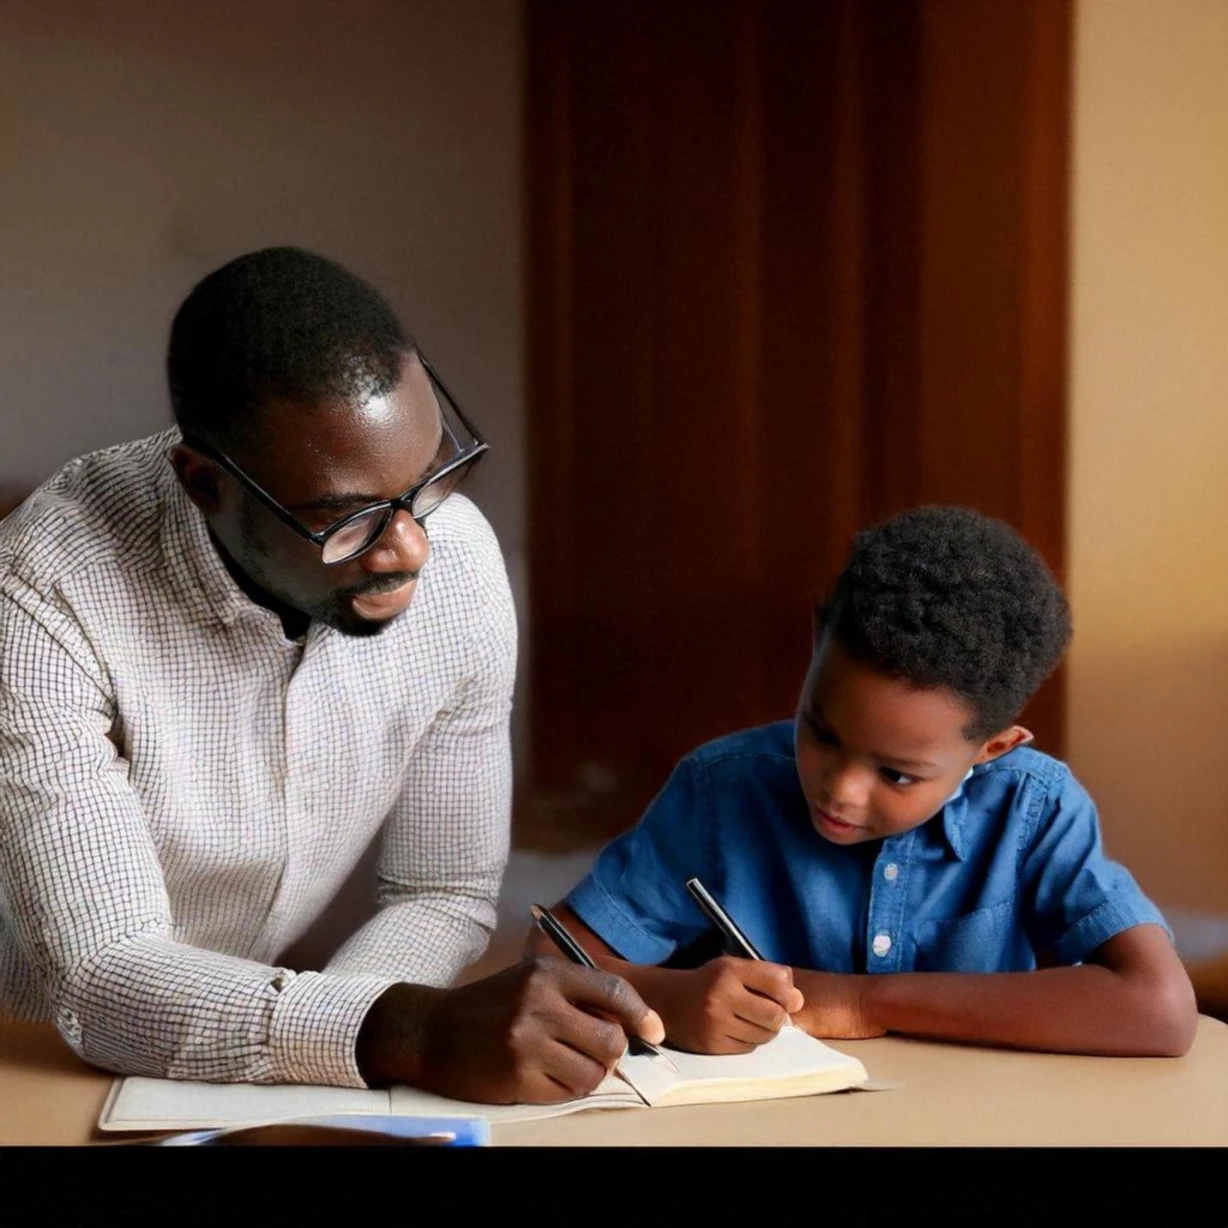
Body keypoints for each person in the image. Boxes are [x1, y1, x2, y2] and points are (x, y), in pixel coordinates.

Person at [0, 246, 661, 1103]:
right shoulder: (41, 594)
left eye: (426, 481)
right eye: (347, 521)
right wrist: (410, 1031)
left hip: (222, 1061)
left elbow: (441, 890)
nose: (411, 549)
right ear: (206, 486)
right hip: (27, 1053)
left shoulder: (456, 562)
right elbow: (101, 973)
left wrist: (358, 1050)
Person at [526, 506, 1198, 1057]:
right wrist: (671, 996)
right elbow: (550, 958)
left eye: (897, 774)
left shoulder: (1035, 808)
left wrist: (861, 1002)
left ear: (992, 749)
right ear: (815, 647)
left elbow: (1161, 1009)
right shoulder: (720, 790)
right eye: (822, 733)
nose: (841, 789)